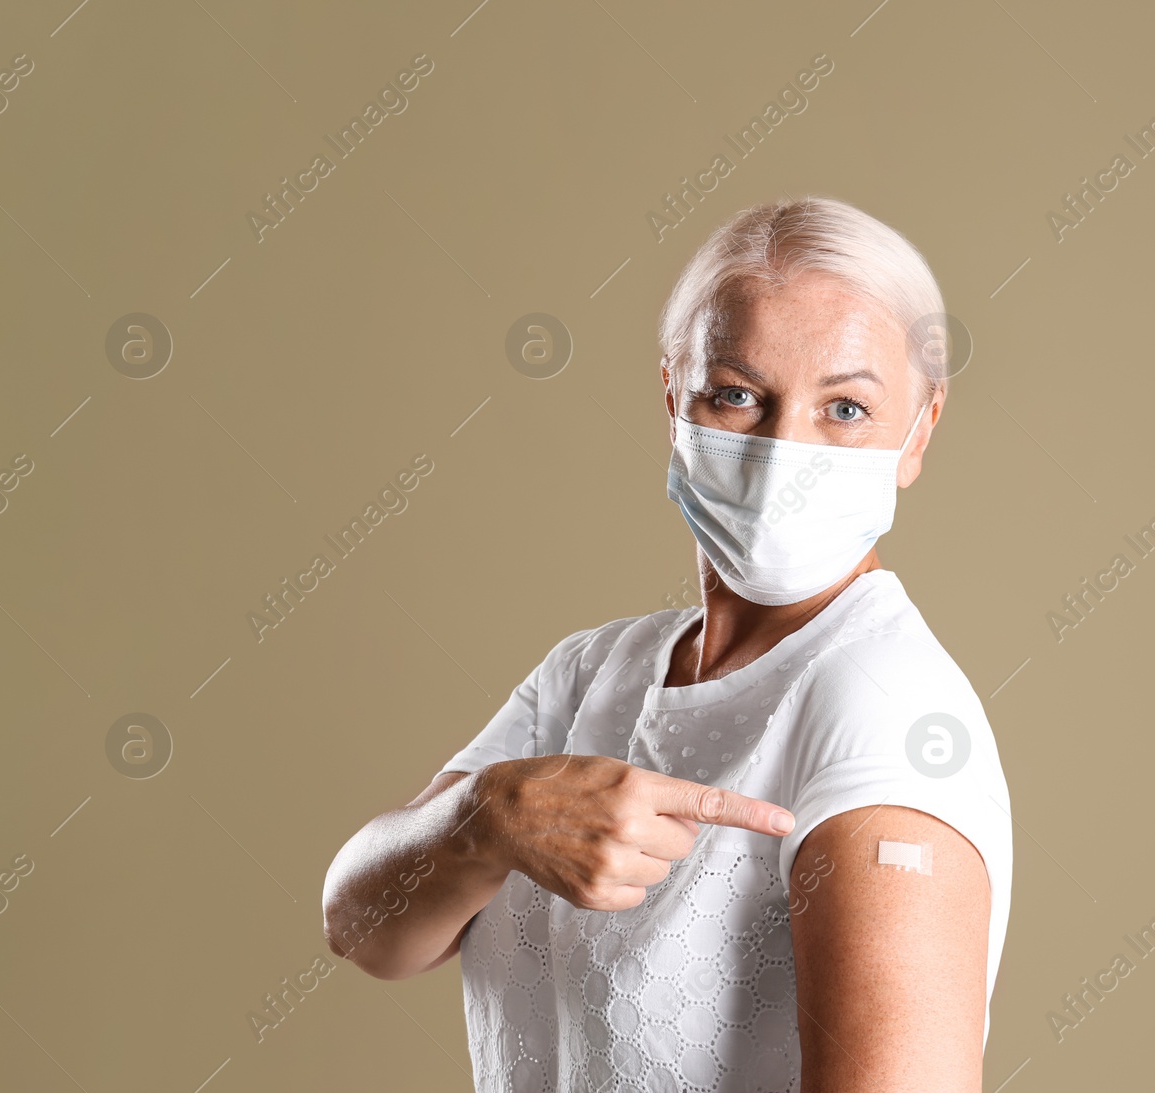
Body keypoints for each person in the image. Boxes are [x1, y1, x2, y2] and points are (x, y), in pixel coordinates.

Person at [321, 194, 1013, 1092]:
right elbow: (364, 927)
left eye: (845, 409)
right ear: (671, 398)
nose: (785, 453)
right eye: (737, 395)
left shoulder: (881, 707)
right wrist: (484, 820)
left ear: (918, 430)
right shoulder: (590, 674)